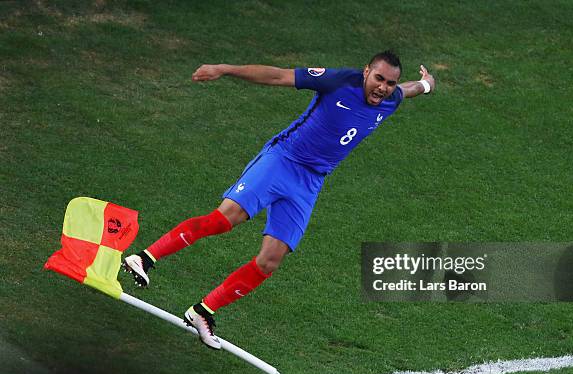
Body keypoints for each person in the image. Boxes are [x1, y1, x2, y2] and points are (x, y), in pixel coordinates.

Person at [123, 51, 436, 350]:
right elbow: (277, 76)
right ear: (366, 72)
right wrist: (225, 69)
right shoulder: (338, 81)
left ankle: (203, 312)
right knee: (224, 219)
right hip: (283, 160)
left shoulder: (391, 99)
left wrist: (425, 85)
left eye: (390, 83)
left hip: (310, 182)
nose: (383, 87)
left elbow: (410, 89)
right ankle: (145, 257)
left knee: (270, 260)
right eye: (378, 78)